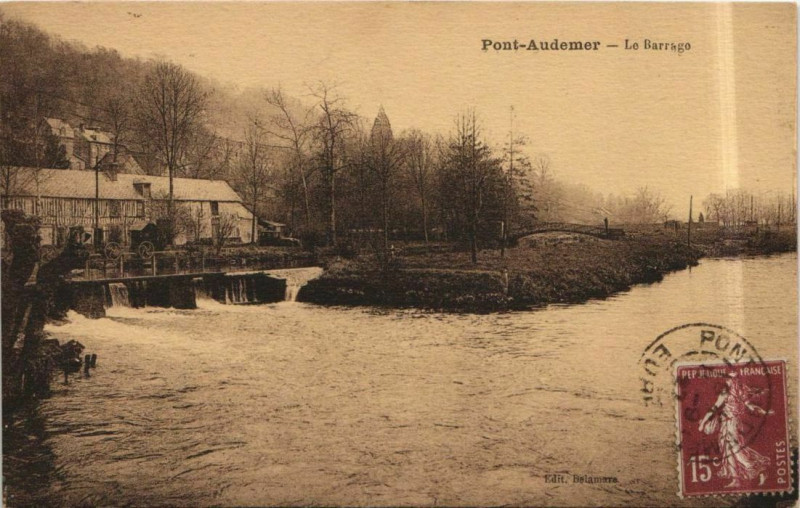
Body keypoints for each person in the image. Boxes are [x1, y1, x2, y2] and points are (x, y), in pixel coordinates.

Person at [698, 372, 773, 488]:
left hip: (731, 424)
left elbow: (714, 408)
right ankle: (736, 479)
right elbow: (750, 406)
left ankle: (759, 469)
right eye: (731, 379)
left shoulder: (735, 393)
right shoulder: (736, 393)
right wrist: (764, 411)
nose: (731, 381)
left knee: (735, 450)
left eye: (732, 379)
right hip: (727, 424)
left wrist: (703, 423)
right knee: (727, 450)